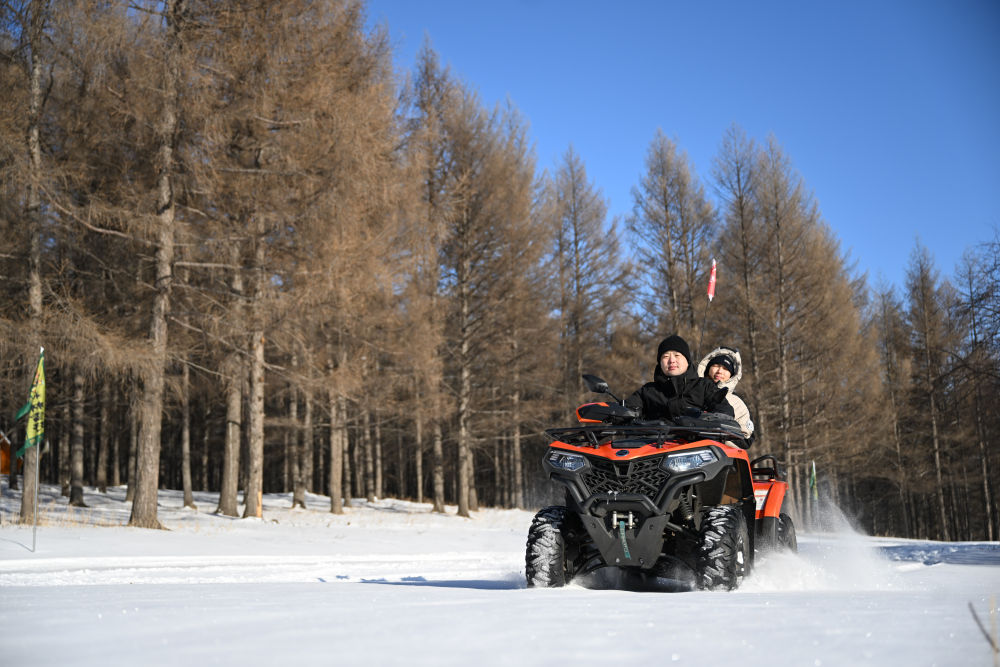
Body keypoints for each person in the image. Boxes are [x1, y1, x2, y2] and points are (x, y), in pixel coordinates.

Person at [624, 334, 734, 422]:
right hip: (653, 446)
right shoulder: (647, 391)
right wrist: (611, 411)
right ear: (660, 363)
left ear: (687, 361)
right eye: (665, 356)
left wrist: (704, 419)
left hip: (695, 446)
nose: (672, 360)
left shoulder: (704, 386)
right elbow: (626, 409)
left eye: (677, 355)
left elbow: (724, 411)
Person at [697, 346, 755, 446]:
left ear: (732, 374)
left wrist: (721, 436)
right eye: (716, 365)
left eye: (725, 368)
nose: (719, 371)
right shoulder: (692, 391)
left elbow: (746, 439)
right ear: (708, 367)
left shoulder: (737, 403)